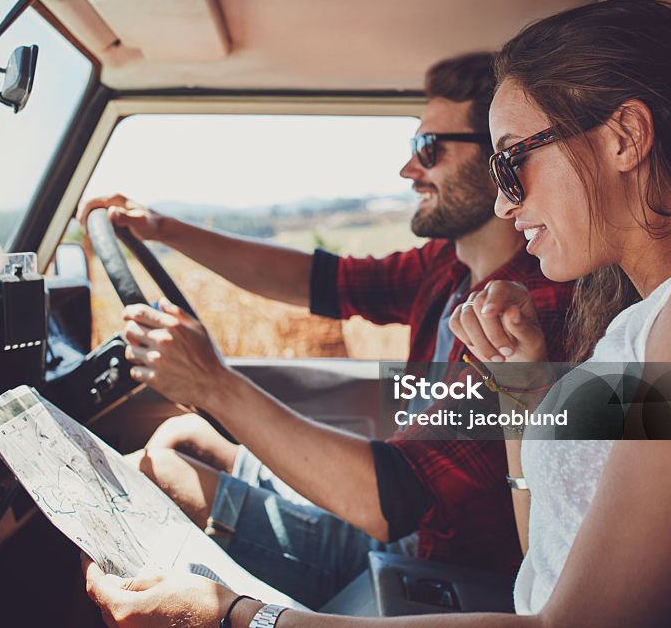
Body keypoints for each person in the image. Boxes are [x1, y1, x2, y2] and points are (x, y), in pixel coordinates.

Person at [84, 0, 671, 627]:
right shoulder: (636, 318)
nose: (506, 201)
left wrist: (242, 618)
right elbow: (540, 552)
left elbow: (576, 623)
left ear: (624, 138)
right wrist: (524, 390)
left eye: (512, 162)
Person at [80, 53, 574, 608]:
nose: (409, 171)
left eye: (428, 150)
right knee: (176, 439)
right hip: (410, 521)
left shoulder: (526, 311)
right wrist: (164, 229)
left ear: (496, 161)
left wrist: (213, 383)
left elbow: (391, 503)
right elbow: (317, 279)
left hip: (430, 558)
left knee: (148, 476)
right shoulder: (448, 267)